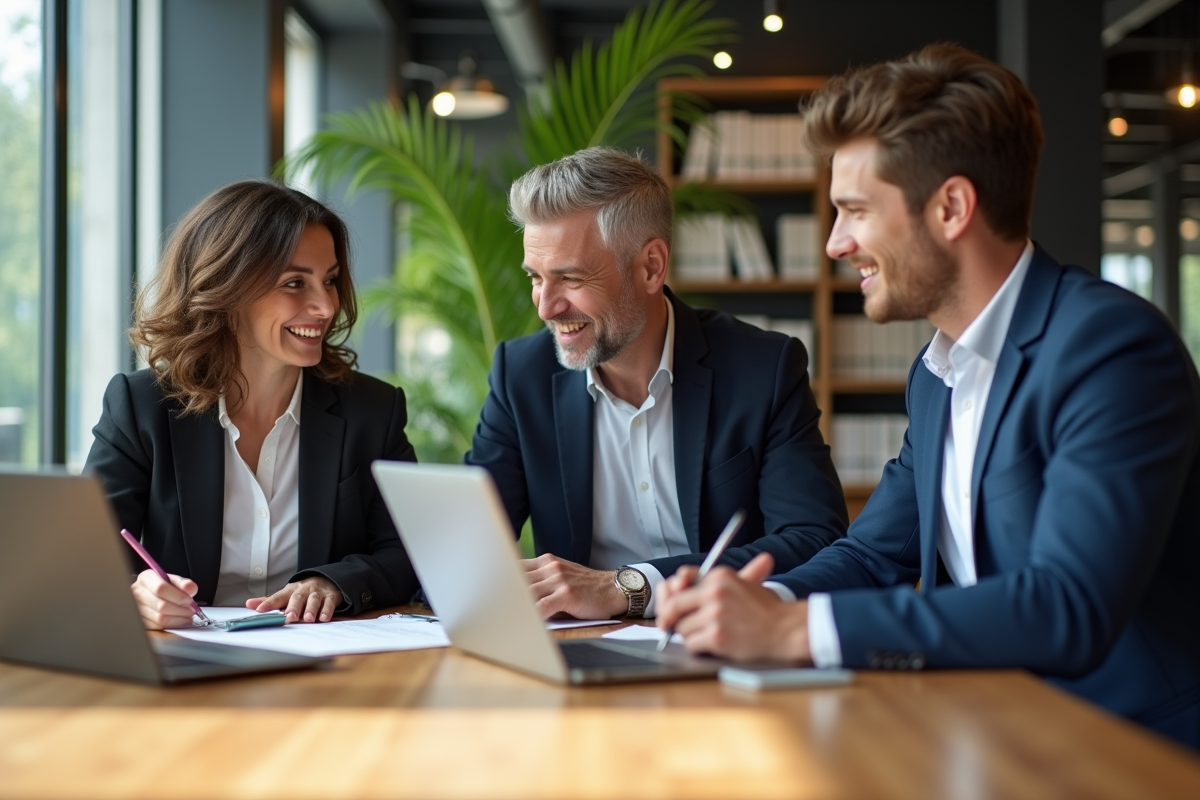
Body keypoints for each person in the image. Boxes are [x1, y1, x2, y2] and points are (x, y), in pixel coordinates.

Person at [656, 44, 1200, 748]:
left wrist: (795, 630)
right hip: (984, 731)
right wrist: (760, 600)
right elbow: (875, 555)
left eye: (854, 210)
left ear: (950, 207)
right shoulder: (936, 372)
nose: (834, 243)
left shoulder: (1110, 348)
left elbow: (1069, 606)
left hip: (1124, 751)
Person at [465, 147, 848, 621]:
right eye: (536, 278)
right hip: (580, 652)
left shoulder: (763, 368)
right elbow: (465, 550)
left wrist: (628, 586)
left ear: (650, 266)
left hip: (726, 644)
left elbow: (814, 539)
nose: (545, 307)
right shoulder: (519, 374)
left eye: (569, 278)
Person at [85, 181, 419, 629]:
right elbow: (84, 563)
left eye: (331, 280)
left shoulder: (372, 410)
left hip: (323, 665)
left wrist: (333, 583)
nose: (324, 306)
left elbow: (410, 553)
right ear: (228, 289)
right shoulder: (141, 405)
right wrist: (136, 595)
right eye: (295, 283)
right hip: (186, 663)